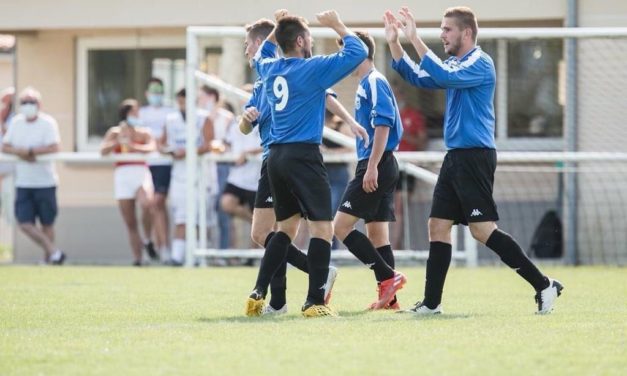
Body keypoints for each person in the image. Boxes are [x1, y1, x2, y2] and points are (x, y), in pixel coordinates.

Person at [385, 6, 563, 314]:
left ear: (466, 32)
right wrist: (394, 43)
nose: (442, 35)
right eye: (441, 30)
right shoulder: (455, 63)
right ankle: (431, 303)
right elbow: (421, 77)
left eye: (447, 30)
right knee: (437, 226)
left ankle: (544, 285)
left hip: (475, 157)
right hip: (456, 158)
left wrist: (414, 38)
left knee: (481, 231)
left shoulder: (481, 62)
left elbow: (439, 73)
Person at [245, 9, 368, 318]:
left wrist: (277, 28)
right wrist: (337, 24)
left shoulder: (269, 69)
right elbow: (358, 51)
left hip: (275, 158)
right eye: (310, 38)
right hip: (303, 156)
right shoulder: (311, 70)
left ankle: (259, 291)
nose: (312, 43)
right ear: (300, 41)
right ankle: (314, 302)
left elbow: (262, 52)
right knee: (322, 229)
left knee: (285, 228)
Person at [333, 31, 407, 310]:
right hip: (381, 162)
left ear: (360, 53)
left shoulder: (375, 81)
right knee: (378, 234)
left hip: (377, 162)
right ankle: (390, 301)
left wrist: (372, 165)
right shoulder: (367, 82)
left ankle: (389, 278)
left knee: (340, 226)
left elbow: (384, 125)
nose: (343, 61)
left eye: (346, 54)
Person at [2, 87, 65, 264]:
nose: (28, 105)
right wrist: (23, 153)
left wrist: (31, 152)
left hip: (46, 182)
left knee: (47, 224)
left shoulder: (48, 123)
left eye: (32, 102)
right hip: (24, 182)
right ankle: (54, 252)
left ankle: (49, 261)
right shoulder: (16, 123)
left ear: (40, 104)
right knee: (24, 223)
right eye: (24, 102)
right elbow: (5, 146)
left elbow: (54, 147)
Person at [160, 89, 215, 266]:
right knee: (181, 217)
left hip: (200, 174)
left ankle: (202, 256)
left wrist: (189, 152)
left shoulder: (203, 117)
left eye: (185, 101)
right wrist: (169, 151)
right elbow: (161, 143)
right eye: (180, 102)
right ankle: (177, 257)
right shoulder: (170, 119)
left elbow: (209, 144)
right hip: (179, 174)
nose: (182, 105)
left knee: (201, 217)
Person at [101, 99, 156, 266]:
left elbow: (152, 147)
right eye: (134, 112)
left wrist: (133, 146)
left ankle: (147, 239)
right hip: (122, 175)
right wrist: (117, 142)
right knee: (130, 222)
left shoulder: (144, 132)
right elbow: (102, 150)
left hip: (140, 172)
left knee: (147, 204)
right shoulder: (115, 132)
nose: (137, 115)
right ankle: (138, 258)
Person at [139, 77, 175, 261]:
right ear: (147, 94)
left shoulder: (171, 112)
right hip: (145, 164)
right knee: (149, 206)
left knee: (158, 203)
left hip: (164, 164)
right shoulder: (141, 113)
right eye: (153, 92)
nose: (156, 95)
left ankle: (164, 246)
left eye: (159, 91)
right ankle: (148, 239)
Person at [391, 83, 428, 250]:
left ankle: (396, 247)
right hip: (388, 164)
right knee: (384, 206)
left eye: (397, 93)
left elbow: (422, 141)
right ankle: (385, 247)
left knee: (399, 206)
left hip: (407, 166)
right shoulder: (387, 114)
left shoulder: (413, 115)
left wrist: (403, 135)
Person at [198, 85, 235, 250]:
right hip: (202, 167)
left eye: (202, 96)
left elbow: (231, 142)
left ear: (212, 96)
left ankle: (223, 252)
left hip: (222, 167)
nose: (199, 100)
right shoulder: (198, 117)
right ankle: (205, 249)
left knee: (222, 211)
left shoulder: (227, 117)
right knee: (203, 211)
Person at [220, 120, 262, 223]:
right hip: (237, 178)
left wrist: (247, 153)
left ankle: (258, 225)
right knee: (227, 203)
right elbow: (227, 143)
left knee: (259, 234)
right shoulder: (234, 124)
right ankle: (254, 222)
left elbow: (270, 145)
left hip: (257, 180)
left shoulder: (266, 123)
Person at [321, 111, 351, 249]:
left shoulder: (340, 124)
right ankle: (325, 248)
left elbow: (350, 147)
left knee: (331, 212)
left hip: (338, 173)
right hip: (321, 173)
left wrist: (330, 153)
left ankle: (332, 250)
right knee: (321, 213)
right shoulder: (317, 123)